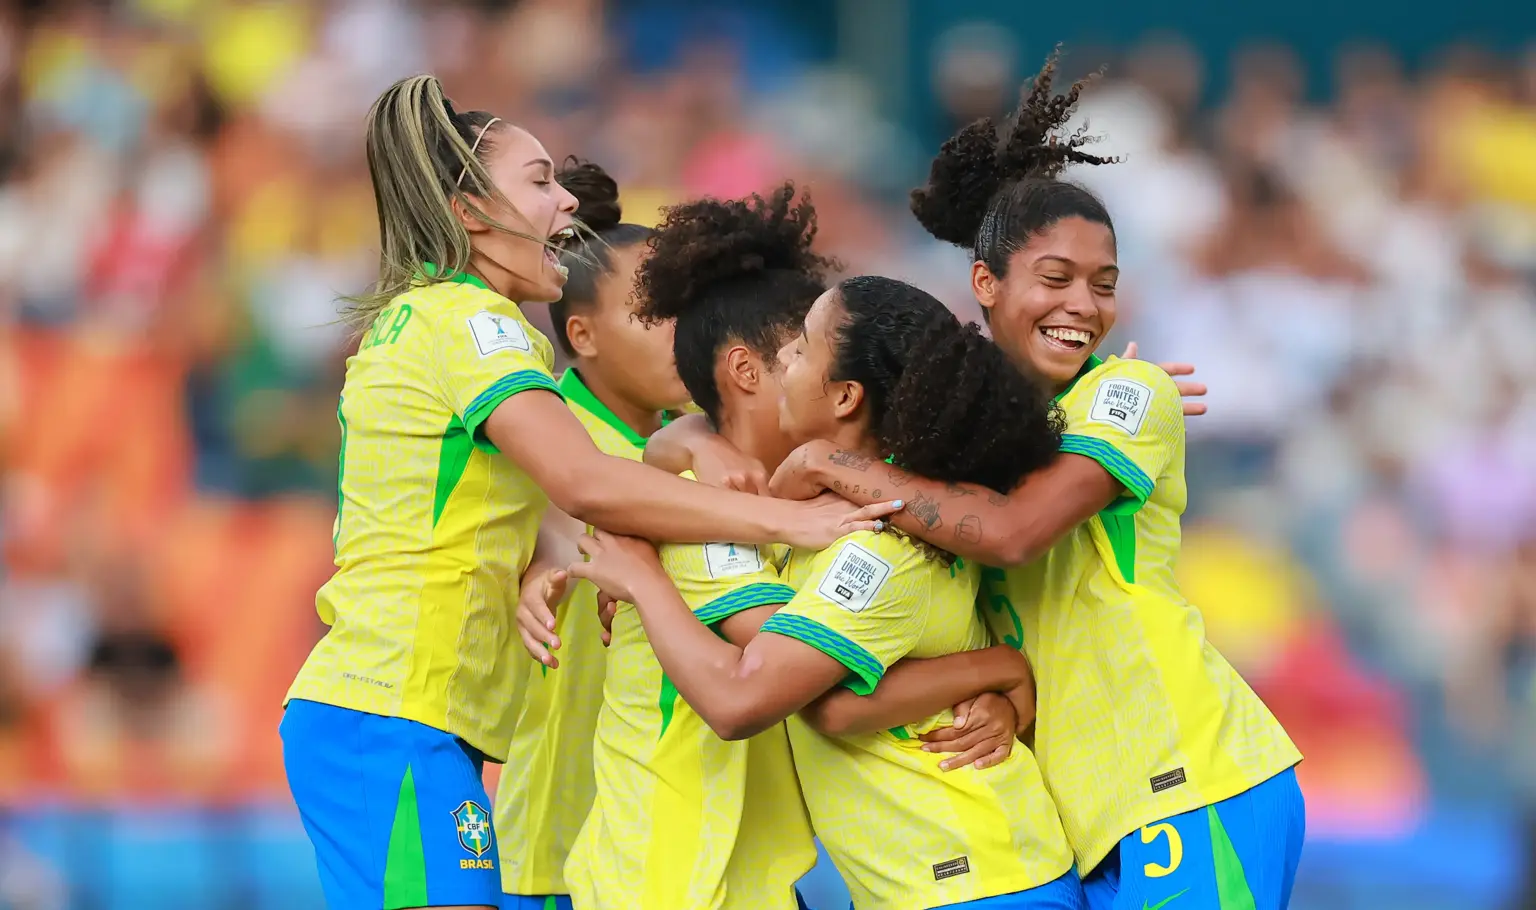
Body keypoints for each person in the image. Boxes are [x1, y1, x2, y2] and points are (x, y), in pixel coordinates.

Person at [655, 54, 1305, 910]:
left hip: (1188, 774)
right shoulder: (960, 447)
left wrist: (830, 464)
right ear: (985, 285)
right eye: (1057, 279)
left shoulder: (1120, 392)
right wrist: (1005, 692)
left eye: (1104, 285)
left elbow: (1012, 535)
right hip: (1080, 814)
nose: (1084, 305)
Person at [278, 75, 897, 910]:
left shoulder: (431, 319)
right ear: (467, 211)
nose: (567, 199)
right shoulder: (472, 321)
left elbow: (494, 500)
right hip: (390, 712)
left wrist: (551, 550)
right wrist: (794, 519)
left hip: (403, 719)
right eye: (538, 182)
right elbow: (585, 480)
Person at [571, 272, 1084, 910]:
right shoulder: (881, 504)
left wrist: (643, 578)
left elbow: (762, 699)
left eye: (802, 348)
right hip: (946, 876)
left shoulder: (876, 542)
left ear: (844, 396)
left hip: (972, 877)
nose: (785, 359)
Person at [493, 159, 689, 910]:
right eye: (652, 313)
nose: (681, 332)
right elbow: (558, 526)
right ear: (583, 333)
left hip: (672, 840)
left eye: (685, 307)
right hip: (556, 844)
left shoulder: (700, 442)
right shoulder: (549, 436)